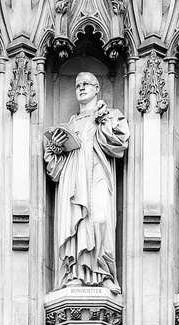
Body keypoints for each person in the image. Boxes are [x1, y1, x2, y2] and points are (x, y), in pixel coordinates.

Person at [44, 71, 131, 289]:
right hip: (72, 182)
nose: (81, 88)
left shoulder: (110, 114)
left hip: (98, 175)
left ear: (96, 88)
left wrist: (104, 121)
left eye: (86, 84)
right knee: (76, 224)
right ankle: (75, 274)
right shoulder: (71, 122)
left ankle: (103, 274)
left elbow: (119, 144)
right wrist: (55, 147)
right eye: (77, 85)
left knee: (100, 218)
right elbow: (55, 169)